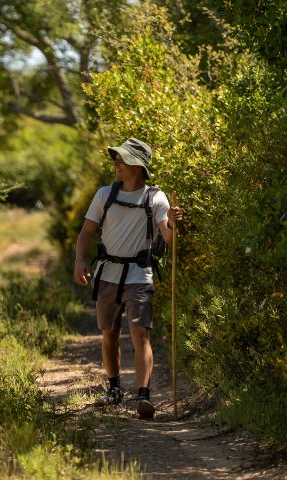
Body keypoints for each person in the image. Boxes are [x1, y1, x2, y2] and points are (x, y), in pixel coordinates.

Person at [73, 138, 183, 419]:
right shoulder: (104, 195)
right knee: (109, 333)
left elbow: (169, 239)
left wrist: (171, 222)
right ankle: (114, 389)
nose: (116, 163)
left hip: (139, 275)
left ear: (137, 165)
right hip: (107, 274)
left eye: (121, 159)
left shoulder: (155, 197)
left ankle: (143, 396)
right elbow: (86, 232)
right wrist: (79, 260)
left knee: (140, 333)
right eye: (117, 158)